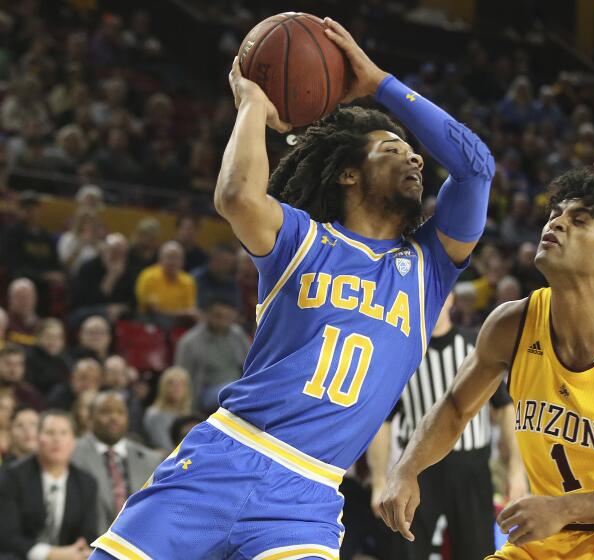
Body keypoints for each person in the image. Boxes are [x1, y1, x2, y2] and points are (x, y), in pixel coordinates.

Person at [91, 18, 493, 560]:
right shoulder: (302, 239)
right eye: (392, 149)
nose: (416, 156)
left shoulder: (430, 265)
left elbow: (476, 167)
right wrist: (254, 104)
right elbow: (236, 195)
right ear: (348, 174)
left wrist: (379, 83)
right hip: (224, 457)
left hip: (306, 498)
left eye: (414, 151)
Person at [381, 168, 594, 558]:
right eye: (555, 213)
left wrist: (568, 507)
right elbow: (455, 408)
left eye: (579, 220)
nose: (556, 222)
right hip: (552, 537)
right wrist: (406, 469)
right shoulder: (512, 324)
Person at [366, 293, 527, 560]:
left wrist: (516, 470)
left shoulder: (474, 345)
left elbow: (505, 406)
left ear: (451, 299)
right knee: (406, 550)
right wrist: (380, 480)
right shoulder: (402, 352)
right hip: (417, 467)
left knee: (476, 550)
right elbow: (382, 421)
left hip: (471, 466)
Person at [0, 410, 99, 560]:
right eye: (50, 432)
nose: (56, 439)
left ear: (73, 441)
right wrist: (50, 554)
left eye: (63, 433)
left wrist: (78, 550)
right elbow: (7, 535)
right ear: (37, 438)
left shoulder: (86, 483)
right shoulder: (12, 476)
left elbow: (88, 534)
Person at [71, 392, 162, 535]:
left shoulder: (151, 460)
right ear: (90, 418)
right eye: (105, 412)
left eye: (120, 412)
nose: (114, 417)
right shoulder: (72, 454)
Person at [173, 298, 250, 413]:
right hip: (206, 392)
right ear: (207, 315)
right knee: (234, 391)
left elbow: (252, 364)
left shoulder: (238, 335)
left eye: (227, 316)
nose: (223, 320)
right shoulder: (189, 341)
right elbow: (180, 375)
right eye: (218, 315)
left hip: (239, 386)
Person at [141, 366, 192, 450]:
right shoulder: (155, 415)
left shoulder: (187, 415)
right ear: (164, 388)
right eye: (172, 384)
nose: (177, 388)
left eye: (181, 384)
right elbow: (165, 447)